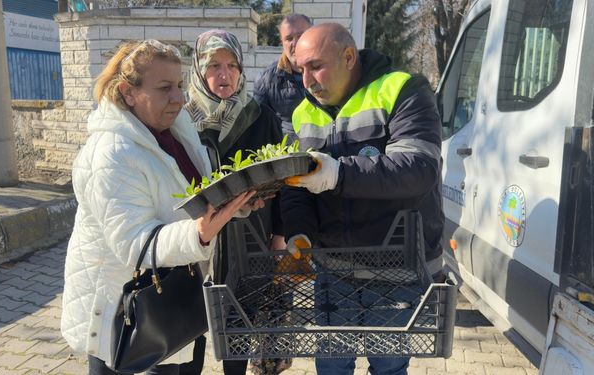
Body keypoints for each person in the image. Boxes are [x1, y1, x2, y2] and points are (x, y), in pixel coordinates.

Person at [61, 39, 261, 375]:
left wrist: (235, 204)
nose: (179, 97)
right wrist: (197, 234)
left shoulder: (174, 131)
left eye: (180, 85)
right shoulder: (111, 154)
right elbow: (134, 244)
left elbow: (191, 200)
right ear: (128, 92)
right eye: (165, 87)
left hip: (170, 299)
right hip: (125, 313)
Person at [282, 23, 444, 375]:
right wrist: (299, 232)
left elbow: (418, 167)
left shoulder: (403, 89)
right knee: (332, 367)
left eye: (315, 66)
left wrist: (339, 174)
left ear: (349, 57)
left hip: (395, 269)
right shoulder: (302, 114)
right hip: (332, 269)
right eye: (301, 70)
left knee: (387, 367)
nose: (307, 80)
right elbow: (295, 187)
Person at [184, 29, 289, 375]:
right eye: (214, 65)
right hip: (196, 240)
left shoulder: (261, 117)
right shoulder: (182, 121)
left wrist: (279, 235)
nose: (224, 74)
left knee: (240, 320)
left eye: (231, 65)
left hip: (252, 237)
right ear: (199, 69)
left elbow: (286, 182)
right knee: (191, 324)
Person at [253, 13, 312, 141]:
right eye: (289, 38)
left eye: (301, 36)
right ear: (282, 42)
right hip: (288, 157)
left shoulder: (330, 73)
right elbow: (259, 129)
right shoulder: (265, 81)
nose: (295, 43)